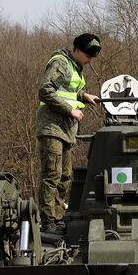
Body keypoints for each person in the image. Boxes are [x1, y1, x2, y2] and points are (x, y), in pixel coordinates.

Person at [36, 33, 103, 232]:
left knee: (65, 176)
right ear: (77, 50)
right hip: (53, 127)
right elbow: (45, 90)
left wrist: (84, 96)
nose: (90, 60)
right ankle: (48, 220)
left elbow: (68, 91)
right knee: (52, 175)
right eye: (88, 56)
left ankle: (57, 217)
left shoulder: (76, 68)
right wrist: (70, 110)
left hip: (66, 130)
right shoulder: (61, 63)